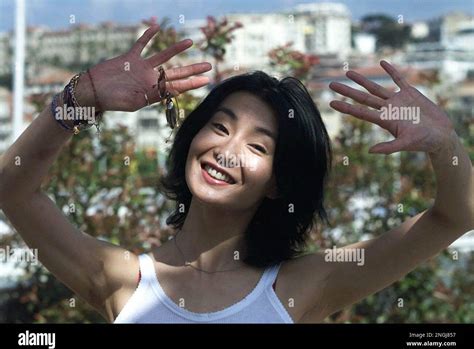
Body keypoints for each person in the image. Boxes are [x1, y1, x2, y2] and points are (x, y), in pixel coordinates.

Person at [0, 25, 472, 323]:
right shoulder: (121, 279)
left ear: (279, 183)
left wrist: (445, 144)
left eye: (257, 145)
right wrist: (81, 97)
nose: (226, 150)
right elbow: (12, 192)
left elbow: (456, 216)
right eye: (220, 127)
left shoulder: (300, 286)